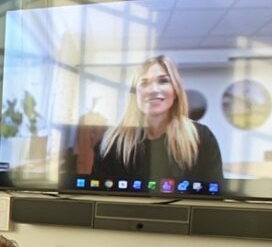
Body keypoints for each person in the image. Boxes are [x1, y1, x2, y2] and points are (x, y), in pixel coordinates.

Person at [93, 55, 224, 190]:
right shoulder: (111, 142)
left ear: (175, 91)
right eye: (144, 83)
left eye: (163, 81)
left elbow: (213, 195)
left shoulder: (201, 138)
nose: (154, 90)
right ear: (134, 94)